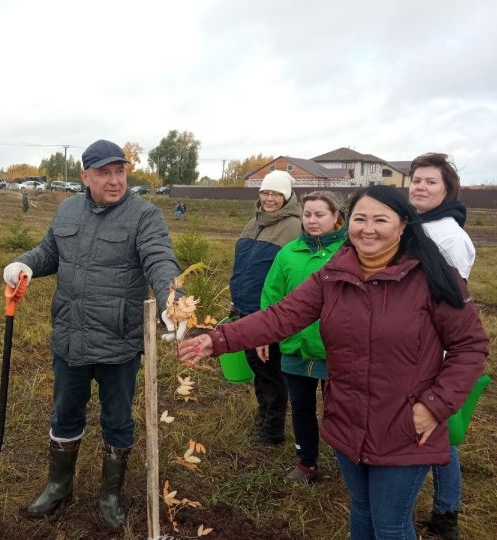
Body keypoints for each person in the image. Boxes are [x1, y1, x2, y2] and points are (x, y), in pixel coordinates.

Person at [178, 185, 488, 539]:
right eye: (360, 219)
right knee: (362, 511)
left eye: (380, 220)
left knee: (390, 524)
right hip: (348, 418)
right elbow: (282, 315)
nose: (368, 229)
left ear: (403, 224)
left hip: (405, 425)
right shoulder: (334, 274)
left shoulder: (434, 277)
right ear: (348, 223)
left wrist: (435, 405)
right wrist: (218, 339)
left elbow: (470, 347)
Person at [2, 139, 182, 530]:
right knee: (65, 411)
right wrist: (24, 264)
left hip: (119, 342)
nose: (115, 180)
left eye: (120, 171)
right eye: (104, 173)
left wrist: (172, 299)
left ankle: (110, 493)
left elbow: (159, 259)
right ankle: (58, 485)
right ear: (85, 176)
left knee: (117, 419)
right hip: (70, 336)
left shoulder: (144, 216)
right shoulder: (68, 210)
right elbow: (50, 252)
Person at [258, 191, 347, 483]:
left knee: (340, 408)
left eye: (320, 214)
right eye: (307, 214)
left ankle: (348, 462)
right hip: (295, 346)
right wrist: (261, 334)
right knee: (301, 405)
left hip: (335, 349)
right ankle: (307, 463)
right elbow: (272, 295)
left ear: (336, 217)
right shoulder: (289, 253)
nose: (312, 220)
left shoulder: (349, 252)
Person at [409, 153, 476, 539]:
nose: (420, 186)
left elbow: (450, 305)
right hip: (416, 346)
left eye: (430, 182)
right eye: (416, 180)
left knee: (437, 430)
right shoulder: (420, 226)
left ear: (447, 189)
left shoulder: (447, 236)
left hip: (436, 351)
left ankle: (446, 512)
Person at [228, 170, 301, 445]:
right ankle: (264, 417)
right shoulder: (255, 221)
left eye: (275, 194)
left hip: (269, 310)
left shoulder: (293, 226)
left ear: (287, 196)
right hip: (247, 306)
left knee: (270, 370)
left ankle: (273, 430)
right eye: (265, 193)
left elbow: (291, 275)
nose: (269, 199)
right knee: (258, 367)